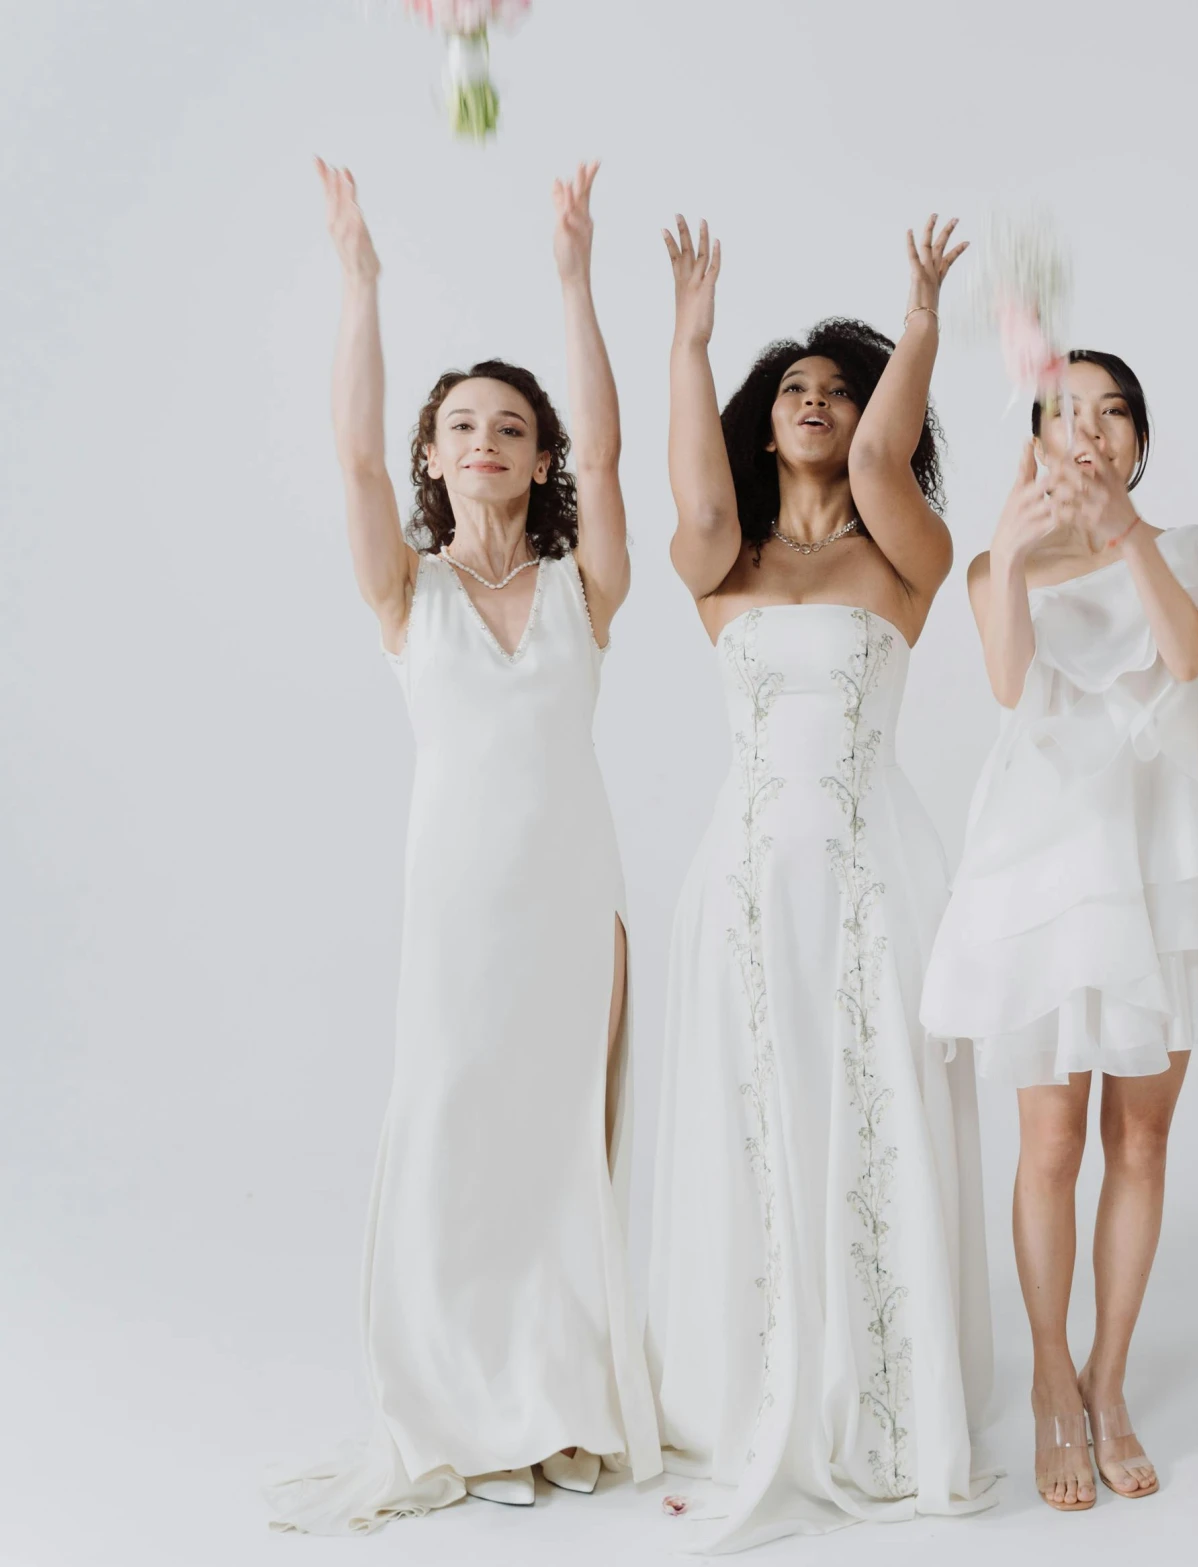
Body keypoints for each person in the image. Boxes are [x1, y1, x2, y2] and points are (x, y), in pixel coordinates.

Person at [268, 161, 658, 1533]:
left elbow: (614, 455)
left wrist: (573, 278)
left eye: (508, 425)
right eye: (460, 425)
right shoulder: (406, 591)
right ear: (434, 456)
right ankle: (450, 1396)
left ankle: (552, 1396)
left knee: (561, 1143)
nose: (482, 439)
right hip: (454, 907)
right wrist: (360, 279)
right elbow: (353, 455)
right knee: (452, 1133)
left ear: (537, 456)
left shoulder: (581, 590)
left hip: (573, 902)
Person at [642, 216, 993, 1548]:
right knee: (754, 1116)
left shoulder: (903, 559)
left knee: (872, 1104)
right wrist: (687, 339)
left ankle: (884, 1393)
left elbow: (888, 453)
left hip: (869, 874)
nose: (811, 404)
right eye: (790, 389)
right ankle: (750, 1375)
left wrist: (917, 321)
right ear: (760, 418)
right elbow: (690, 497)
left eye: (832, 394)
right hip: (736, 883)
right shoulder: (719, 563)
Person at [922, 352, 1198, 1510]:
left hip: (1162, 861)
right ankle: (1049, 1380)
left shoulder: (1192, 550)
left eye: (1115, 414)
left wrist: (1123, 535)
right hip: (1052, 864)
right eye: (1069, 414)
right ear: (1036, 437)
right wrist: (1013, 547)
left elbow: (1188, 656)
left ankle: (1110, 1380)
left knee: (1142, 1143)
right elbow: (1012, 681)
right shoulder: (991, 560)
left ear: (1140, 441)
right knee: (1049, 1145)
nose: (1094, 431)